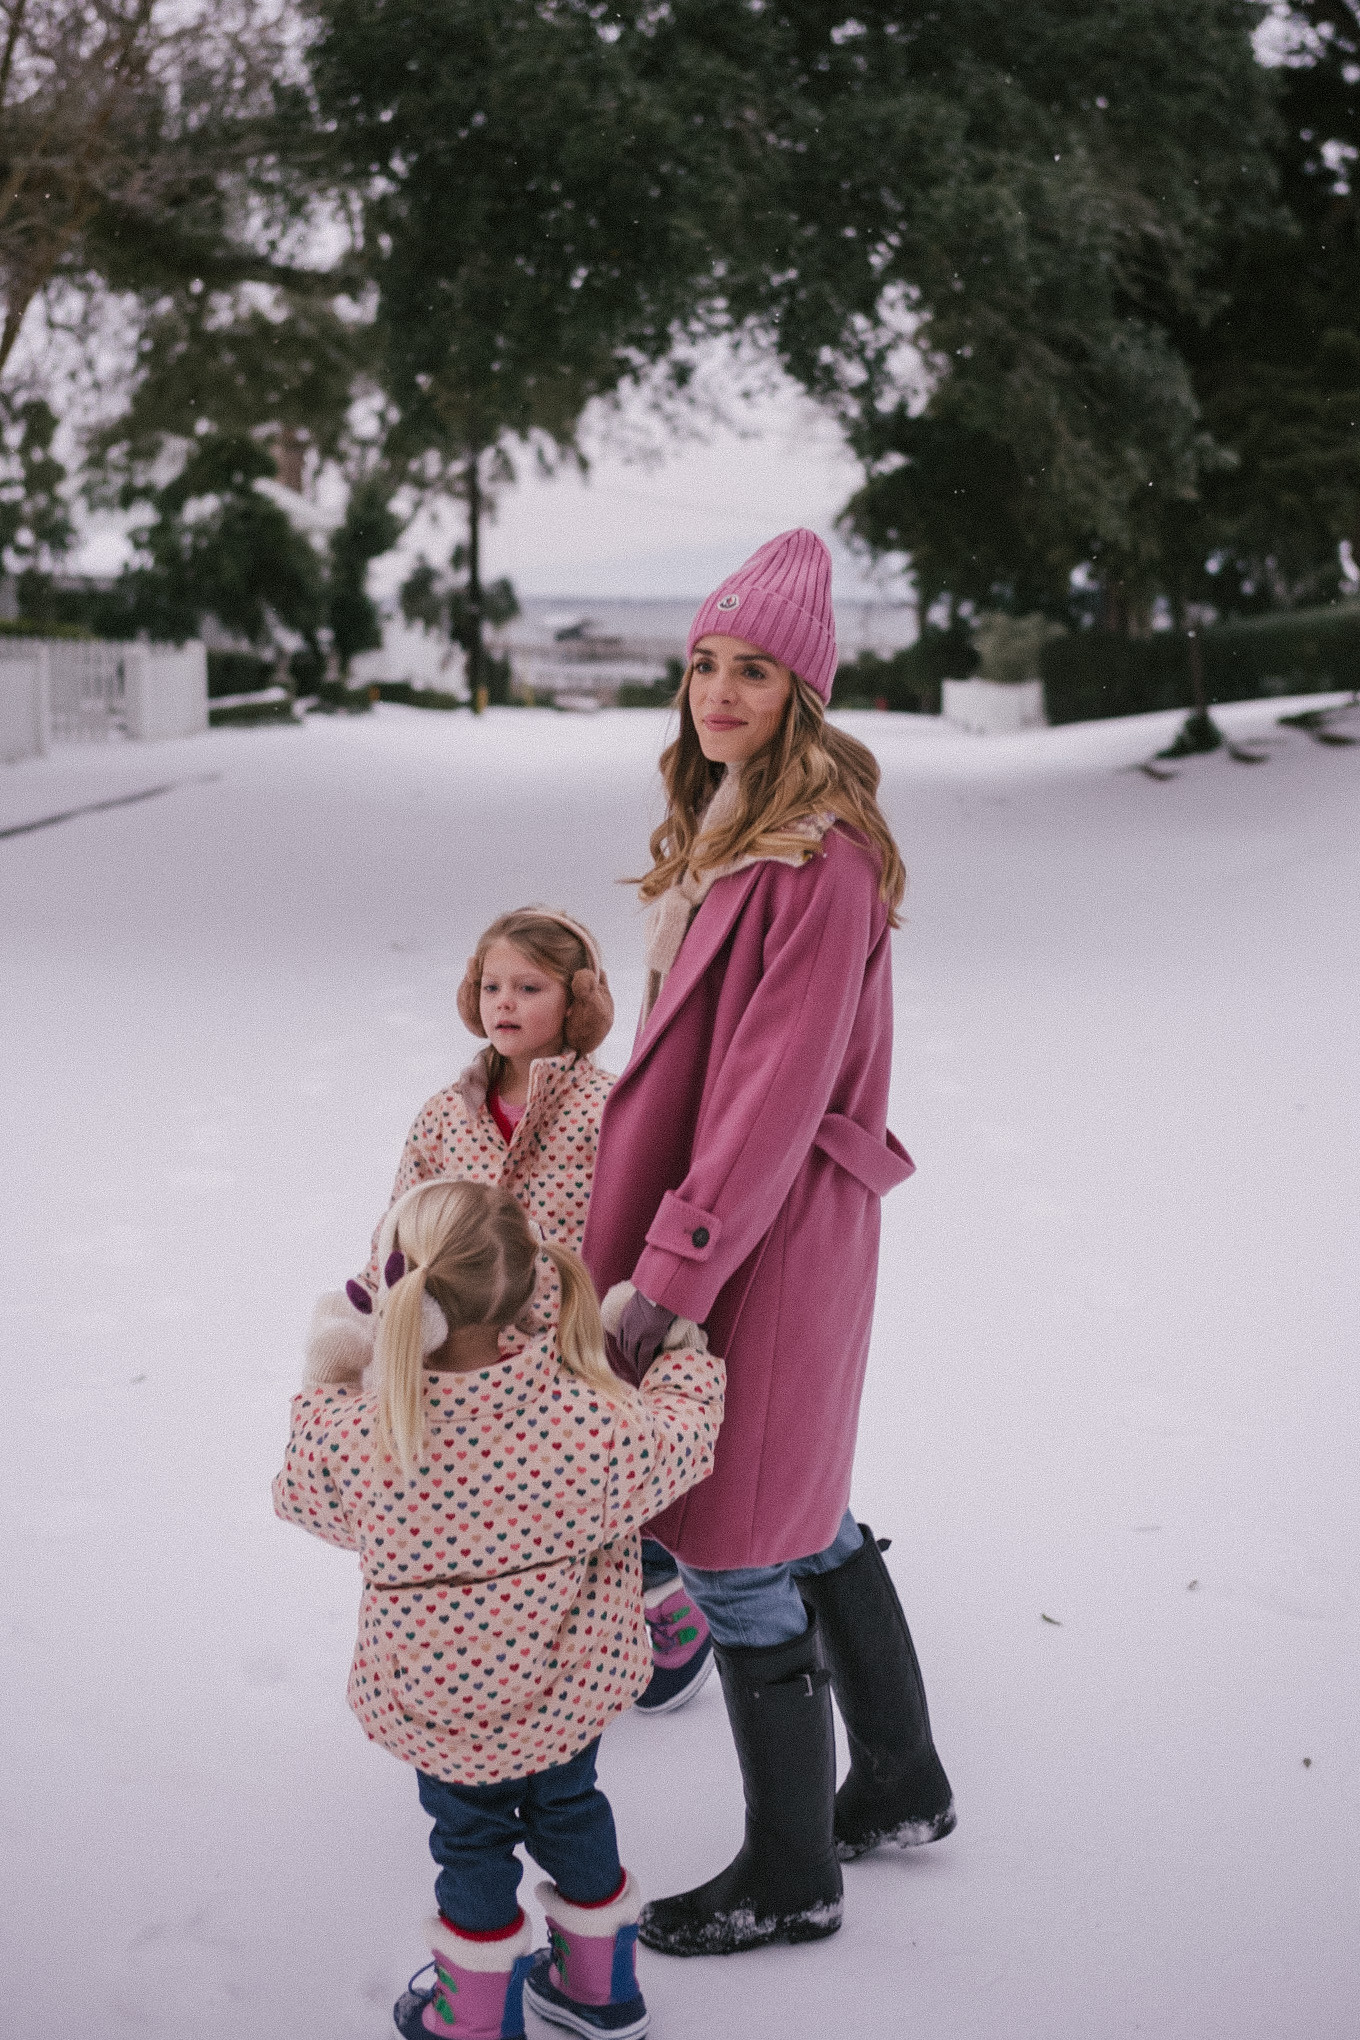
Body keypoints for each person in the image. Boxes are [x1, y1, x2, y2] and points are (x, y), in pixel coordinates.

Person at [583, 528, 956, 1959]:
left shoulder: (819, 858)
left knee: (740, 1546)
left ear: (805, 692)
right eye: (703, 663)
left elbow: (763, 1100)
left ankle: (792, 1873)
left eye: (753, 670)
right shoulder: (735, 824)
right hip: (746, 1226)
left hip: (762, 1240)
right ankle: (906, 1785)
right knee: (809, 1512)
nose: (720, 692)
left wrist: (664, 1283)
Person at [274, 1178, 725, 2040]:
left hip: (441, 1709)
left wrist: (333, 1370)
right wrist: (680, 1354)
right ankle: (601, 1989)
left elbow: (302, 1494)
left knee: (470, 1844)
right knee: (573, 1810)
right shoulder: (589, 1423)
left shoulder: (367, 1431)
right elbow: (684, 1437)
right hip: (566, 1697)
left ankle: (473, 2017)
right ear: (529, 1286)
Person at [304, 904, 718, 1714]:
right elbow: (402, 1219)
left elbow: (642, 1215)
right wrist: (379, 1302)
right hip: (458, 1347)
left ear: (578, 1000)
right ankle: (528, 1633)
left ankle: (658, 1595)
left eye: (530, 987)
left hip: (571, 1345)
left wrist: (635, 1312)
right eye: (492, 985)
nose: (505, 1002)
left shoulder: (613, 1108)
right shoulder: (442, 1115)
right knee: (495, 1502)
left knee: (595, 1490)